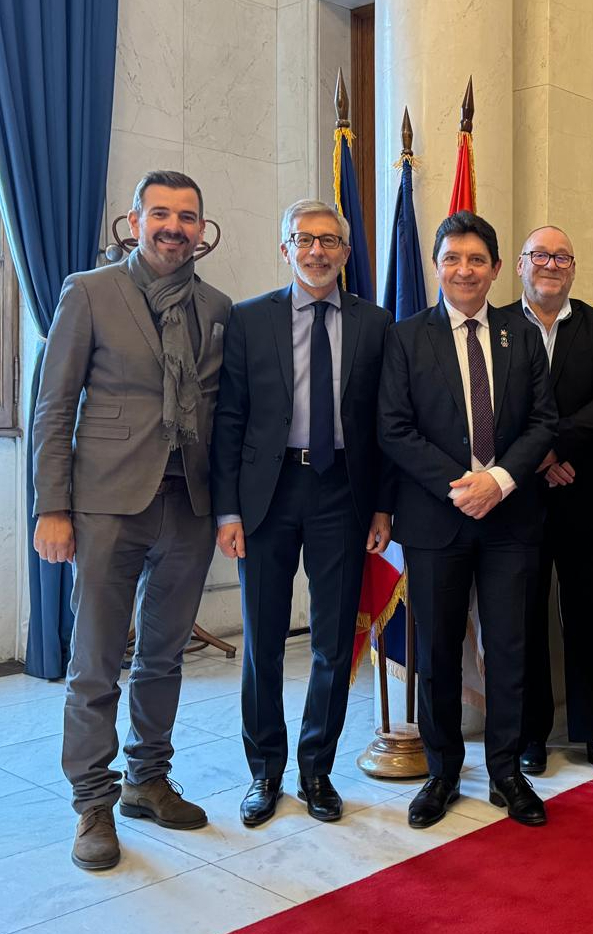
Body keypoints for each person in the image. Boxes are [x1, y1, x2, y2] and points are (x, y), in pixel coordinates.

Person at [32, 170, 230, 870]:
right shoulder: (89, 291)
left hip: (189, 502)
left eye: (187, 216)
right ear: (134, 220)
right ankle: (93, 802)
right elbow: (54, 404)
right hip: (106, 501)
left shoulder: (217, 306)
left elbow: (223, 411)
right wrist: (51, 507)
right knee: (95, 660)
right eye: (161, 214)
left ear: (202, 230)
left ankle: (148, 779)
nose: (174, 227)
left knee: (164, 655)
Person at [211, 199, 395, 826]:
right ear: (285, 248)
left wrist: (382, 506)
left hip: (342, 491)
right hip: (267, 492)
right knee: (262, 640)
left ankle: (317, 768)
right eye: (304, 239)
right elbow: (229, 418)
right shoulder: (248, 318)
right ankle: (265, 770)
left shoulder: (376, 323)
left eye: (329, 240)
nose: (316, 251)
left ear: (345, 252)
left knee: (332, 641)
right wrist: (227, 511)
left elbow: (384, 424)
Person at [378, 211, 558, 827]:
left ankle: (507, 772)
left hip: (511, 519)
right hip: (436, 519)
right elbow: (393, 428)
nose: (464, 270)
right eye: (452, 258)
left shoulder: (522, 334)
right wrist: (462, 487)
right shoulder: (405, 337)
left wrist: (499, 481)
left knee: (509, 649)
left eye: (476, 259)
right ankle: (443, 772)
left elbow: (544, 422)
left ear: (497, 268)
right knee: (437, 652)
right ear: (436, 267)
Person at [497, 226, 593, 782]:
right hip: (520, 500)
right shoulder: (499, 326)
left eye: (561, 257)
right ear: (520, 264)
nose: (550, 264)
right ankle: (530, 734)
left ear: (573, 268)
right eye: (540, 255)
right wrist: (538, 458)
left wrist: (556, 447)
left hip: (588, 498)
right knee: (523, 620)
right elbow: (492, 409)